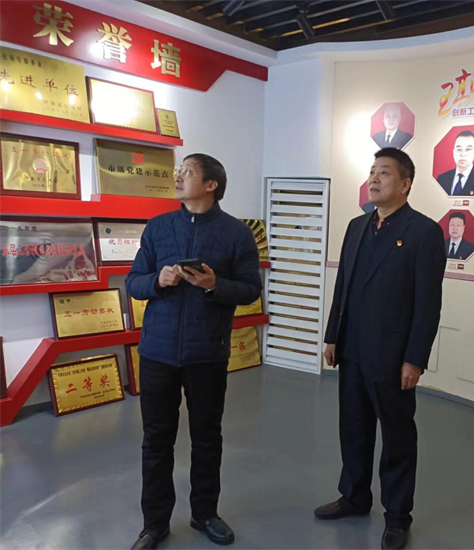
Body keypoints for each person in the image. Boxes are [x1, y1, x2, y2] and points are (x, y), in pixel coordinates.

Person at [126, 154, 262, 549]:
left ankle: (204, 514)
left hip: (207, 353)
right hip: (157, 352)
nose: (178, 176)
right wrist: (158, 280)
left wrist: (213, 285)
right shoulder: (158, 227)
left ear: (211, 184)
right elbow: (133, 282)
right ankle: (154, 524)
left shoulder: (237, 234)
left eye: (187, 171)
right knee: (156, 441)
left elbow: (251, 289)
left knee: (206, 438)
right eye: (178, 171)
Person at [315, 147, 446, 550]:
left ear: (405, 184)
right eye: (372, 172)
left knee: (397, 438)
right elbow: (343, 285)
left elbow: (428, 303)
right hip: (352, 350)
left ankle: (398, 516)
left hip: (392, 357)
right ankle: (354, 497)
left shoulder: (424, 232)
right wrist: (333, 335)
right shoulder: (356, 226)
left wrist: (415, 359)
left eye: (384, 173)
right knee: (353, 429)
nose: (373, 179)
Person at [436, 130, 474, 196]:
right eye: (459, 149)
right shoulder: (442, 179)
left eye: (468, 149)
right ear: (453, 152)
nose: (462, 154)